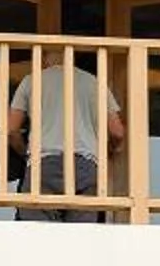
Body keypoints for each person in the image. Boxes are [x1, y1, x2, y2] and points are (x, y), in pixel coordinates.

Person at [6, 54, 110, 223]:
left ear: (45, 59)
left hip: (43, 163)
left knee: (38, 236)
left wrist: (24, 153)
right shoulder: (94, 82)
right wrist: (108, 150)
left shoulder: (32, 80)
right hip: (85, 165)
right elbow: (118, 131)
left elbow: (11, 130)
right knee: (80, 237)